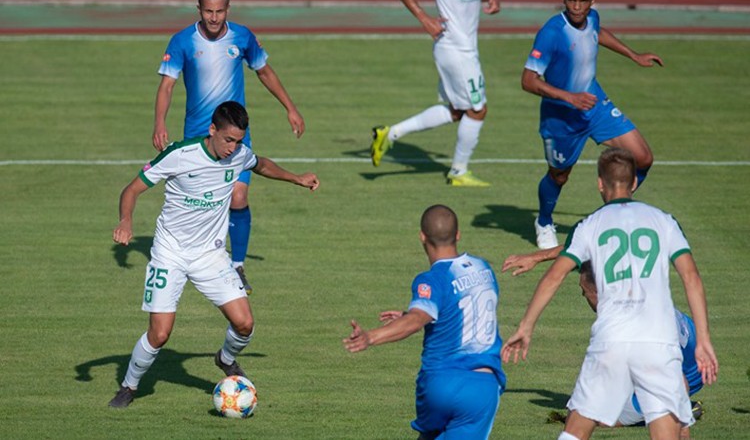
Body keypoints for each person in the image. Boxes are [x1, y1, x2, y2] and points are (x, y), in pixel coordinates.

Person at [109, 101, 319, 408]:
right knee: (160, 334)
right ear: (212, 130)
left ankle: (225, 358)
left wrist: (297, 178)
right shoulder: (180, 155)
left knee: (245, 324)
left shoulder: (239, 155)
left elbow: (259, 164)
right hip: (171, 254)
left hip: (210, 255)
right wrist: (126, 222)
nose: (233, 148)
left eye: (238, 141)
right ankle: (129, 386)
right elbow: (131, 190)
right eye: (228, 140)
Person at [501, 148, 718, 440]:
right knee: (672, 430)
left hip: (611, 337)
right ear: (635, 183)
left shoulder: (589, 225)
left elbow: (555, 276)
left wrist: (525, 327)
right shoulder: (663, 220)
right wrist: (703, 340)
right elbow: (691, 278)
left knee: (576, 429)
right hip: (658, 338)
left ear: (600, 183)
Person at [154, 0, 305, 291]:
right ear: (198, 9)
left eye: (219, 12)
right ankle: (189, 259)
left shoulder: (243, 37)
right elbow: (167, 86)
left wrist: (290, 108)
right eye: (208, 11)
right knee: (200, 200)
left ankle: (236, 266)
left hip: (236, 134)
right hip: (199, 136)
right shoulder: (182, 41)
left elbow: (264, 72)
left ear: (228, 10)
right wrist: (159, 122)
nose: (213, 18)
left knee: (238, 196)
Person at [343, 205, 506, 439]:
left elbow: (418, 318)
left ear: (422, 236)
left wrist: (371, 337)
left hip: (439, 384)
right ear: (458, 234)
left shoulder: (431, 279)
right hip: (480, 386)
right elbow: (466, 309)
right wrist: (413, 315)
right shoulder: (483, 268)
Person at [523, 0, 663, 248]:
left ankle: (611, 216)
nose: (576, 7)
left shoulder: (593, 18)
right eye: (571, 1)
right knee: (559, 176)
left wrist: (633, 54)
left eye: (583, 2)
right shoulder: (552, 32)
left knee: (643, 158)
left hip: (595, 107)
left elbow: (597, 33)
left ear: (592, 2)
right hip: (562, 118)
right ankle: (543, 222)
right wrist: (570, 98)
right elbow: (528, 81)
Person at [370, 0, 500, 187]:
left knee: (457, 111)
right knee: (477, 110)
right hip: (456, 50)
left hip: (462, 48)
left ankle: (389, 134)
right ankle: (459, 171)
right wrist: (423, 17)